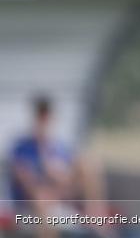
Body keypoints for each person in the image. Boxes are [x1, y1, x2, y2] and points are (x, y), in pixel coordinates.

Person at [8, 94, 107, 238]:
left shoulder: (59, 147)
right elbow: (27, 184)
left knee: (88, 163)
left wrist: (57, 178)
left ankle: (98, 220)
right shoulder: (22, 147)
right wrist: (43, 157)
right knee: (42, 200)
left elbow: (65, 179)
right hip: (34, 198)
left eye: (47, 118)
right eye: (41, 118)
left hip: (58, 191)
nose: (44, 122)